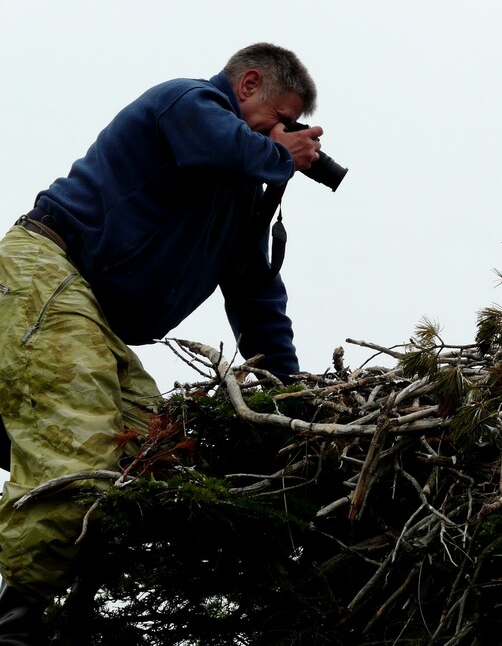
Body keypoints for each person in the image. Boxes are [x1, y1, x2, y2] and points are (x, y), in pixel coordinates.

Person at [0, 43, 324, 643]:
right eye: (282, 119)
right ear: (247, 84)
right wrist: (278, 155)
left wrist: (291, 398)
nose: (289, 134)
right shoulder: (188, 102)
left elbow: (256, 299)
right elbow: (211, 142)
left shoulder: (237, 198)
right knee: (79, 435)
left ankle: (70, 610)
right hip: (40, 270)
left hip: (90, 318)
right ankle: (15, 619)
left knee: (160, 452)